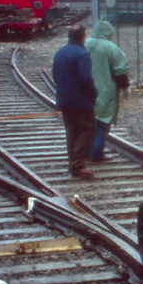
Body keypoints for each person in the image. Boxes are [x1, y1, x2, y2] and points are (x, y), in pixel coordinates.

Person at [52, 25, 98, 179]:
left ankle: (73, 162)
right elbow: (85, 78)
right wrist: (93, 92)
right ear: (82, 37)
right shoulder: (82, 54)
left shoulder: (61, 52)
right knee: (88, 129)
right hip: (81, 100)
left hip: (64, 98)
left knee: (71, 130)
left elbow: (55, 74)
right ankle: (78, 164)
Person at [85, 20, 130, 162]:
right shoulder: (111, 48)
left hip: (85, 91)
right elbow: (120, 71)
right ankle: (96, 153)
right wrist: (125, 87)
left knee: (87, 125)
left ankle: (84, 152)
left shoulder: (86, 43)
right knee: (102, 124)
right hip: (105, 91)